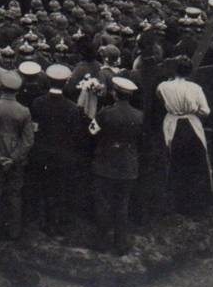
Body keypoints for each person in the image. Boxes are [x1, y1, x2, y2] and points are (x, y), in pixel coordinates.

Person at [29, 64, 85, 234]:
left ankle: (43, 219)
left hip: (42, 152)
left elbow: (34, 128)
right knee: (60, 187)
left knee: (43, 185)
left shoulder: (38, 102)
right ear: (65, 83)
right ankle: (56, 220)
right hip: (63, 154)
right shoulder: (72, 107)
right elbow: (76, 134)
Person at [0, 70, 34, 240]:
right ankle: (14, 232)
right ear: (17, 91)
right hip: (16, 160)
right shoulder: (24, 111)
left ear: (1, 87)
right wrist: (14, 157)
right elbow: (28, 140)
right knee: (15, 195)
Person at [156, 55, 213, 216]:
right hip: (192, 124)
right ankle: (195, 206)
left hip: (172, 123)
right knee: (196, 164)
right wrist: (192, 111)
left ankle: (176, 205)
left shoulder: (163, 86)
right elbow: (206, 111)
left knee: (175, 162)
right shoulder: (195, 88)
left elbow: (160, 99)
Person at [91, 77, 142, 254]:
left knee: (103, 203)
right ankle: (120, 243)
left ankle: (101, 242)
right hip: (128, 164)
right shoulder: (139, 116)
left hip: (106, 162)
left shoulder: (105, 113)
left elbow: (91, 132)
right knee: (122, 204)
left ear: (114, 93)